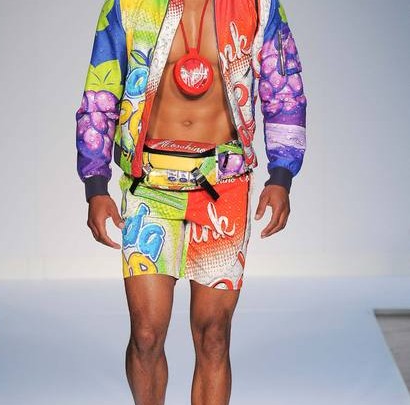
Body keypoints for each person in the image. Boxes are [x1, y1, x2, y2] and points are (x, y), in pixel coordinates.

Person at [75, 0, 307, 403]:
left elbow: (283, 84)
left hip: (224, 186)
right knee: (146, 334)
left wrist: (282, 174)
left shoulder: (257, 5)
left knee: (214, 335)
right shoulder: (129, 5)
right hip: (149, 188)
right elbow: (100, 90)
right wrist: (95, 184)